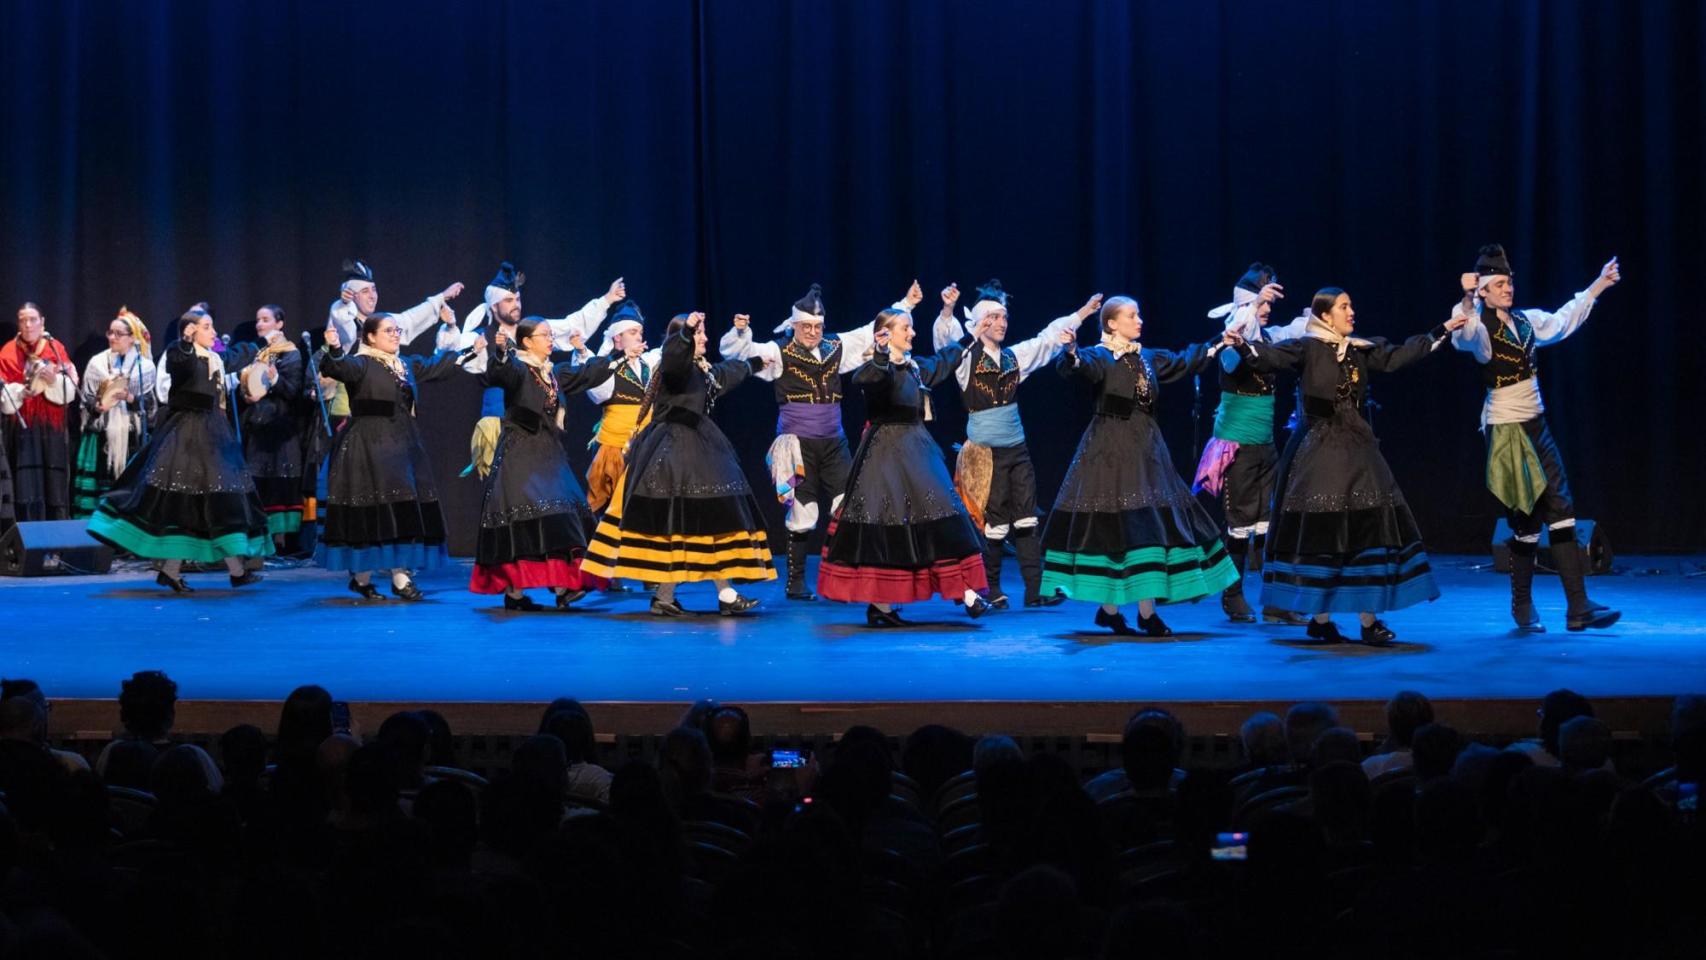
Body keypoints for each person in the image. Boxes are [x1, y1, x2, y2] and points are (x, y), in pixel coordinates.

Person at [1228, 287, 1468, 645]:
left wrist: (1441, 331)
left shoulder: (1357, 349)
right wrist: (1242, 345)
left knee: (1365, 525)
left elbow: (1397, 356)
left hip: (1356, 447)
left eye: (1351, 305)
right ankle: (1320, 618)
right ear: (1325, 316)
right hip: (1319, 448)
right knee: (1324, 530)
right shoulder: (1308, 348)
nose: (1351, 311)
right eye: (1344, 307)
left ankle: (1369, 620)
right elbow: (1270, 357)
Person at [1040, 295, 1239, 637]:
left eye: (1139, 315)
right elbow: (1080, 367)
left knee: (1149, 525)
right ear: (1111, 323)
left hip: (1147, 448)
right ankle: (1123, 611)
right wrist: (1071, 351)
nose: (1139, 321)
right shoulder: (1101, 356)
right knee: (1117, 527)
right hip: (1110, 450)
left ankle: (1135, 612)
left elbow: (1183, 361)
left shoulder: (1146, 356)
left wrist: (1221, 340)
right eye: (1132, 316)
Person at [1450, 246, 1622, 632]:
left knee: (1562, 509)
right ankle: (1522, 603)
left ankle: (1578, 607)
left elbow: (1562, 320)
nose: (1507, 288)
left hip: (1537, 425)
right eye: (1499, 284)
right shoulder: (1482, 331)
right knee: (1526, 521)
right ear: (1484, 291)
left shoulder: (1526, 321)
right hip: (1506, 430)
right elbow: (1463, 334)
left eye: (1509, 282)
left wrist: (1599, 284)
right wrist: (1467, 298)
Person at [718, 281, 922, 600]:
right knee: (804, 512)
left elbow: (873, 330)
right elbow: (738, 353)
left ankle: (843, 577)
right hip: (798, 446)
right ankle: (796, 582)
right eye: (806, 326)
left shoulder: (835, 347)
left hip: (834, 444)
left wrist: (906, 304)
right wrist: (740, 332)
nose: (812, 332)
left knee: (847, 506)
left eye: (817, 326)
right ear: (794, 325)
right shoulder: (779, 352)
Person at [580, 312, 775, 615]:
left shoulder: (700, 368)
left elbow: (724, 375)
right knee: (676, 523)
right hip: (671, 450)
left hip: (696, 447)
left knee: (703, 519)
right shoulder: (674, 367)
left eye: (702, 333)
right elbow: (673, 357)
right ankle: (683, 596)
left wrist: (753, 364)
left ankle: (695, 595)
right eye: (699, 334)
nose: (705, 338)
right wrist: (685, 333)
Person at [816, 299, 992, 624]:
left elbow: (943, 362)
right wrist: (881, 353)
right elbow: (870, 379)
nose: (912, 333)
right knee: (887, 523)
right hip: (885, 454)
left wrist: (972, 336)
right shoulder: (877, 368)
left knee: (942, 513)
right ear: (886, 333)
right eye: (906, 328)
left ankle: (966, 593)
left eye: (911, 327)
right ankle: (881, 606)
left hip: (917, 449)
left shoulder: (914, 367)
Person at [935, 280, 1098, 609]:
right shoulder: (965, 359)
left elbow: (1046, 339)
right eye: (994, 317)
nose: (1002, 323)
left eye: (1004, 317)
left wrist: (1082, 313)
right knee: (995, 521)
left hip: (1016, 449)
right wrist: (948, 310)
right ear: (980, 322)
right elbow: (945, 342)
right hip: (986, 453)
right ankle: (992, 589)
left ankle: (1035, 590)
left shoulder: (1013, 357)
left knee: (1026, 517)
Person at [88, 304, 272, 591]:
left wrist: (264, 341)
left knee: (216, 501)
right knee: (185, 503)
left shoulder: (214, 357)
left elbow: (237, 356)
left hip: (213, 434)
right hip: (186, 435)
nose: (213, 332)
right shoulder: (180, 352)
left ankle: (225, 571)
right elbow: (180, 361)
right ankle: (221, 571)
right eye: (207, 327)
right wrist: (185, 340)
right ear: (191, 331)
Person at [315, 311, 476, 600]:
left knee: (399, 509)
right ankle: (378, 578)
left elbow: (436, 366)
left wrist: (470, 352)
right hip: (369, 445)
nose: (395, 335)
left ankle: (384, 578)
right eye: (388, 330)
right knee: (376, 510)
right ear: (370, 337)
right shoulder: (361, 363)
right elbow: (338, 367)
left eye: (397, 330)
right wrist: (335, 347)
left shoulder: (404, 364)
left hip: (402, 444)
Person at [470, 320, 615, 610]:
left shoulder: (553, 372)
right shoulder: (518, 369)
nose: (550, 339)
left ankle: (561, 587)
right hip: (520, 454)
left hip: (549, 453)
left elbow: (587, 374)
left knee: (566, 512)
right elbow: (499, 374)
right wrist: (501, 352)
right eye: (544, 335)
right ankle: (523, 593)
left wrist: (609, 352)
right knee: (528, 518)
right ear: (526, 341)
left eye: (551, 334)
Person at [1194, 264, 1309, 625]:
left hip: (1265, 446)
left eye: (1268, 303)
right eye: (1261, 304)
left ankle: (1277, 601)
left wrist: (1320, 314)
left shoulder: (1270, 340)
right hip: (1238, 446)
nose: (1267, 309)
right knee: (1240, 524)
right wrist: (1253, 303)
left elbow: (1296, 329)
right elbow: (1239, 335)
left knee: (1269, 523)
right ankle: (1232, 596)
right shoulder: (1229, 347)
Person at [453, 261, 624, 479]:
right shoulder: (481, 338)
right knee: (505, 484)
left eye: (518, 299)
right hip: (499, 424)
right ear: (494, 306)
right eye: (508, 300)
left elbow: (572, 324)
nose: (516, 304)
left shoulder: (533, 331)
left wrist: (607, 300)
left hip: (535, 428)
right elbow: (459, 356)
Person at [72, 308, 156, 516]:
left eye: (119, 334)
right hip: (101, 436)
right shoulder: (97, 363)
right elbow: (85, 400)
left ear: (132, 338)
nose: (112, 337)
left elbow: (151, 406)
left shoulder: (144, 367)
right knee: (100, 490)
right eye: (110, 332)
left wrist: (130, 398)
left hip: (132, 437)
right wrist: (97, 407)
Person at [240, 303, 308, 550]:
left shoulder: (291, 354)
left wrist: (274, 379)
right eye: (258, 320)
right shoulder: (257, 353)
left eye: (266, 319)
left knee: (281, 483)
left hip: (281, 428)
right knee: (257, 481)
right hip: (258, 426)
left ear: (280, 323)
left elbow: (292, 391)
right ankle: (261, 542)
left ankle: (284, 544)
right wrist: (247, 395)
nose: (260, 324)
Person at [1, 302, 77, 520]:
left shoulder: (55, 348)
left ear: (42, 322)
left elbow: (70, 388)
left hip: (51, 426)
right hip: (21, 428)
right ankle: (25, 532)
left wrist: (54, 381)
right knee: (24, 483)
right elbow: (3, 391)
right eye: (23, 320)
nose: (28, 325)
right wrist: (21, 392)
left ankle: (56, 534)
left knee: (53, 482)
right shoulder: (7, 352)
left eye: (32, 320)